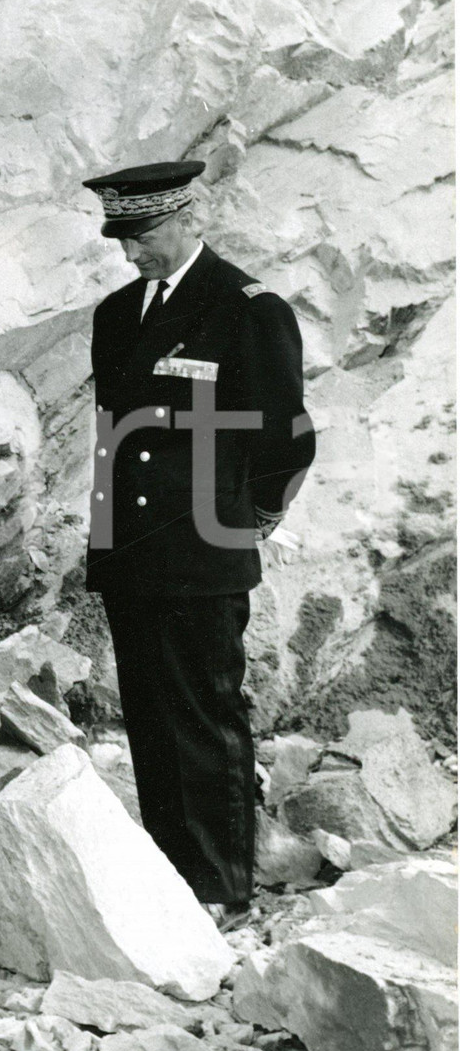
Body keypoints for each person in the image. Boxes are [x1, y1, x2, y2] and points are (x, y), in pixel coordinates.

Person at [82, 160, 315, 927]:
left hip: (201, 554)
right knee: (149, 716)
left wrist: (245, 523)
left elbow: (287, 440)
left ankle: (219, 885)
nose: (131, 254)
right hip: (132, 554)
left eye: (143, 236)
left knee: (205, 717)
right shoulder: (116, 315)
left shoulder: (247, 309)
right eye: (123, 239)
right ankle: (173, 880)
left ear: (189, 219)